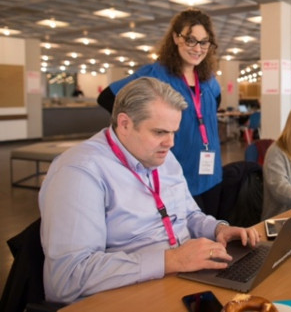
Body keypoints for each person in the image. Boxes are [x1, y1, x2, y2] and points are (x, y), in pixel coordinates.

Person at [40, 77, 259, 304]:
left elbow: (188, 214)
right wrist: (171, 260)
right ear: (125, 124)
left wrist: (217, 229)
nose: (170, 143)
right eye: (159, 132)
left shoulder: (163, 156)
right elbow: (67, 278)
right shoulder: (79, 172)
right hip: (126, 296)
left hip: (181, 279)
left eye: (173, 132)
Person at [97, 9, 222, 215]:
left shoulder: (209, 80)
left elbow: (213, 106)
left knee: (211, 226)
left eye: (204, 42)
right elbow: (107, 97)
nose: (197, 48)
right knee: (185, 230)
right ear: (176, 38)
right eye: (190, 40)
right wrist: (137, 124)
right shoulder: (155, 75)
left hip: (210, 172)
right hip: (174, 172)